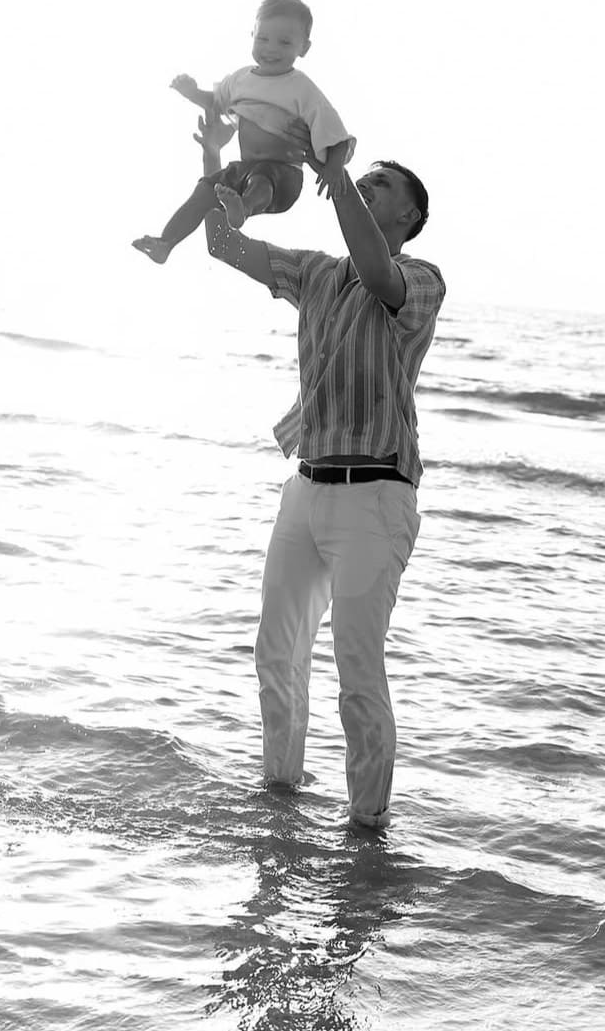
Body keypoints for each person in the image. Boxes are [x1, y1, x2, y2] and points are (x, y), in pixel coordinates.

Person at [198, 110, 444, 829]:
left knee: (356, 675)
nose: (366, 187)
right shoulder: (311, 271)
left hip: (375, 499)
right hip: (304, 489)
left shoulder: (420, 279)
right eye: (361, 179)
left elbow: (373, 267)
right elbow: (220, 243)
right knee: (275, 653)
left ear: (410, 214)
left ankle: (366, 830)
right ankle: (279, 804)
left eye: (379, 184)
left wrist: (335, 176)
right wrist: (217, 159)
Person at [132, 0, 354, 265]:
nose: (271, 48)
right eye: (263, 39)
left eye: (284, 42)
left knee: (262, 178)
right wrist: (191, 93)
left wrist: (333, 168)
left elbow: (337, 134)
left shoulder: (302, 89)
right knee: (205, 190)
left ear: (304, 48)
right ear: (252, 34)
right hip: (245, 169)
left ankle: (243, 208)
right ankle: (166, 242)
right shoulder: (240, 80)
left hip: (283, 175)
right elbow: (214, 102)